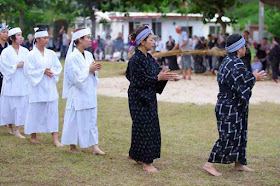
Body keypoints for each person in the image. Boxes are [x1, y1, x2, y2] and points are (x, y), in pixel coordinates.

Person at [203, 34, 267, 176]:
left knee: (240, 134)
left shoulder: (228, 61)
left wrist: (251, 77)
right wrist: (254, 77)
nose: (246, 48)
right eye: (244, 46)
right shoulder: (235, 63)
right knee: (228, 135)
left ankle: (239, 163)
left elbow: (240, 81)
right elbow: (242, 84)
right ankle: (209, 164)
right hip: (229, 105)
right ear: (238, 49)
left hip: (232, 104)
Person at [125, 25, 178, 173]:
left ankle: (135, 155)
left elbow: (156, 75)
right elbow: (137, 80)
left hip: (148, 97)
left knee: (143, 127)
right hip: (138, 98)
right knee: (144, 128)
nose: (154, 42)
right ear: (142, 42)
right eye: (151, 39)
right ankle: (146, 162)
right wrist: (157, 77)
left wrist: (165, 76)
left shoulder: (148, 58)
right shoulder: (135, 60)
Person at [61, 28, 105, 155]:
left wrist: (94, 70)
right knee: (75, 119)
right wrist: (88, 69)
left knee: (92, 118)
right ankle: (73, 146)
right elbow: (74, 78)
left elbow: (91, 74)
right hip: (78, 93)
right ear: (80, 39)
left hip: (89, 91)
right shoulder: (72, 57)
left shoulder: (89, 55)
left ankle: (95, 146)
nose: (90, 40)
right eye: (88, 38)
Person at [24, 28, 63, 147]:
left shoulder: (51, 53)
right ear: (37, 39)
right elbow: (28, 71)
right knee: (35, 111)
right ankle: (33, 136)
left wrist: (52, 72)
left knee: (52, 112)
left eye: (47, 38)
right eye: (44, 38)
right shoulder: (30, 55)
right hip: (37, 88)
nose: (47, 40)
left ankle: (55, 139)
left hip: (49, 87)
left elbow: (58, 67)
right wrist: (42, 72)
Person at [0, 27, 29, 138]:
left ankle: (18, 129)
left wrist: (24, 66)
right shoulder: (6, 52)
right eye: (18, 35)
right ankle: (10, 127)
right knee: (10, 105)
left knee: (21, 105)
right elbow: (3, 67)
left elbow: (30, 65)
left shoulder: (25, 51)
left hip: (22, 81)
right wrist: (15, 66)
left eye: (21, 35)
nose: (21, 37)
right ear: (12, 38)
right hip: (11, 82)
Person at [0, 23, 9, 96]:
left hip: (6, 74)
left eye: (7, 32)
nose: (6, 34)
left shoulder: (8, 47)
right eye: (3, 32)